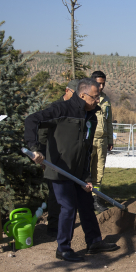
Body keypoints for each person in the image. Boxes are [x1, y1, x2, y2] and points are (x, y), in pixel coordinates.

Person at [24, 78, 119, 262]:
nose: (98, 100)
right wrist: (35, 149)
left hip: (78, 172)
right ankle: (63, 248)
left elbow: (86, 148)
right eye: (95, 97)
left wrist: (87, 176)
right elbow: (32, 120)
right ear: (82, 95)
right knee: (68, 207)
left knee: (86, 204)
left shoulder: (91, 115)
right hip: (59, 169)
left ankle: (94, 242)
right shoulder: (61, 109)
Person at [38, 79, 78, 236]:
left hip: (71, 159)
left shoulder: (77, 109)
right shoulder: (55, 108)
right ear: (67, 91)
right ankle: (54, 227)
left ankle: (67, 225)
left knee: (70, 194)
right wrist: (41, 154)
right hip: (54, 158)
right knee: (55, 195)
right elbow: (42, 132)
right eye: (75, 94)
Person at [90, 71, 113, 212]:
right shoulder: (87, 97)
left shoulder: (106, 100)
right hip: (90, 140)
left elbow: (109, 120)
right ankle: (82, 198)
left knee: (99, 172)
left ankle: (95, 199)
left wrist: (110, 139)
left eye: (103, 83)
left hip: (103, 141)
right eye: (99, 83)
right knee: (86, 170)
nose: (101, 86)